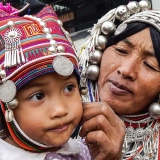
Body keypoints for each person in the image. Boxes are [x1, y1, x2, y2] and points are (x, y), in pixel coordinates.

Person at [0, 1, 92, 160]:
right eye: (38, 96)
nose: (60, 110)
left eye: (69, 88)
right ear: (6, 106)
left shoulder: (83, 149)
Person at [78, 0, 160, 159]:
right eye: (121, 51)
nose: (126, 70)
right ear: (99, 52)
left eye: (150, 65)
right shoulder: (56, 109)